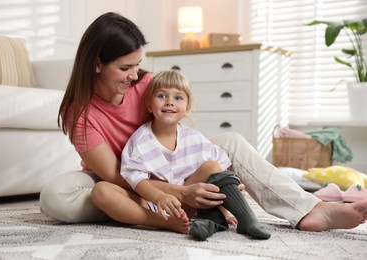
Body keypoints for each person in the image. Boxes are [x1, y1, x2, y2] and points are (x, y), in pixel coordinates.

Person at [39, 12, 367, 234]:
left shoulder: (147, 84)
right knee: (57, 196)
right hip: (128, 181)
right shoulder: (79, 113)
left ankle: (310, 210)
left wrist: (205, 176)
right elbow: (119, 175)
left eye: (138, 65)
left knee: (231, 142)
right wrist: (183, 191)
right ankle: (172, 214)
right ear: (97, 63)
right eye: (125, 67)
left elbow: (180, 129)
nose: (135, 75)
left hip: (168, 169)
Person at [119, 69, 271, 239]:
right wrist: (160, 197)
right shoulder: (140, 140)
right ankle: (211, 221)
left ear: (187, 107)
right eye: (162, 96)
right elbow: (135, 177)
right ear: (148, 104)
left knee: (213, 166)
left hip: (190, 204)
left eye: (178, 98)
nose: (169, 102)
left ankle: (245, 219)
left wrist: (228, 204)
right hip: (155, 207)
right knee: (103, 192)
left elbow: (219, 172)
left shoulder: (194, 139)